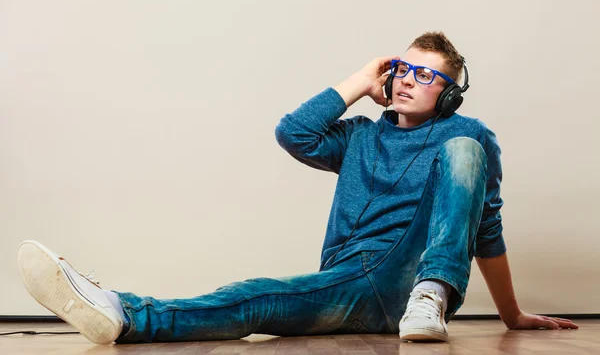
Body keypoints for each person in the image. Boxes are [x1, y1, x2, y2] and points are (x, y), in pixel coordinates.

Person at [17, 32, 578, 345]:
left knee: (463, 150)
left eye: (429, 75)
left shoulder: (467, 136)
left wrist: (512, 315)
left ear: (451, 95)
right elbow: (294, 133)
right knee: (256, 298)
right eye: (405, 68)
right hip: (354, 282)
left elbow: (486, 227)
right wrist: (361, 80)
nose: (410, 79)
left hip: (415, 285)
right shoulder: (359, 139)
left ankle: (429, 298)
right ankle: (124, 313)